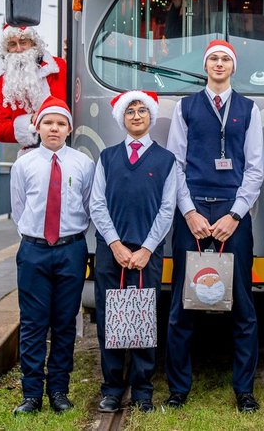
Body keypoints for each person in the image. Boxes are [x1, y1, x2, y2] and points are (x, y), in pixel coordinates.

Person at [165, 39, 264, 413]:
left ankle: (245, 390)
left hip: (231, 211)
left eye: (225, 59)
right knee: (182, 303)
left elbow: (255, 168)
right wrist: (189, 212)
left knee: (242, 304)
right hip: (192, 208)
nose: (219, 64)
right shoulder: (186, 107)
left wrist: (235, 215)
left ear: (233, 67)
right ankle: (178, 388)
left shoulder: (248, 109)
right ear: (205, 67)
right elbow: (176, 163)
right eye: (213, 59)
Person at [89, 90, 176, 414]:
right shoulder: (108, 157)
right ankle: (112, 387)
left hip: (146, 253)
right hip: (111, 250)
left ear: (150, 117)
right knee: (108, 318)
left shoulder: (166, 160)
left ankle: (142, 389)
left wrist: (146, 249)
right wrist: (114, 244)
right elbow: (97, 203)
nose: (136, 115)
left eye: (142, 110)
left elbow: (167, 209)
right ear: (122, 118)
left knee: (143, 318)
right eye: (130, 111)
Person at [9, 96, 94, 415]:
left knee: (64, 322)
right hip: (34, 251)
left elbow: (89, 207)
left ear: (69, 129)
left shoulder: (83, 164)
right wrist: (34, 240)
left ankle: (59, 390)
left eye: (61, 123)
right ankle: (31, 393)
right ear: (38, 127)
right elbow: (19, 209)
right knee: (32, 323)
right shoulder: (24, 164)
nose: (54, 128)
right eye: (48, 123)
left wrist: (72, 240)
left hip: (71, 250)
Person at [0, 24, 67, 152]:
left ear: (33, 44)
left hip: (67, 148)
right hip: (32, 154)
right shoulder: (3, 83)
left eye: (23, 42)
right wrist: (30, 121)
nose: (19, 49)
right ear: (7, 50)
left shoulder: (58, 68)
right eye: (13, 45)